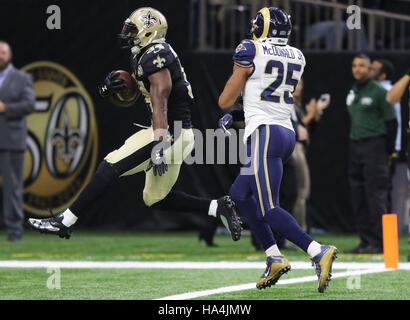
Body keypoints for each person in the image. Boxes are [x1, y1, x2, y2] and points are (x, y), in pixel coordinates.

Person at [27, 7, 242, 242]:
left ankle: (65, 221)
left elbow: (160, 102)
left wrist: (159, 144)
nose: (127, 34)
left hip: (168, 132)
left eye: (132, 30)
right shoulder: (146, 54)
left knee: (110, 165)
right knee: (155, 198)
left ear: (148, 32)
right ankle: (217, 206)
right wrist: (114, 91)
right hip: (180, 133)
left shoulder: (154, 56)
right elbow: (148, 96)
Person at [218, 7, 337, 293]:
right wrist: (240, 113)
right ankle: (273, 256)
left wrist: (233, 109)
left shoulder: (250, 49)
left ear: (261, 28)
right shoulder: (298, 55)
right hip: (284, 132)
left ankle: (317, 251)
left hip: (265, 134)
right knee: (239, 194)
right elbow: (264, 97)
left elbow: (225, 100)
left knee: (269, 208)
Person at [344, 54, 397, 254]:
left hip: (375, 145)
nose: (357, 69)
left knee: (376, 196)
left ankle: (381, 242)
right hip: (355, 145)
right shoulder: (353, 90)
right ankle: (365, 241)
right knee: (358, 195)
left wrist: (389, 151)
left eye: (362, 66)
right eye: (354, 65)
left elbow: (392, 122)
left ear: (370, 70)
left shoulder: (379, 91)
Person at [0, 41, 35, 241]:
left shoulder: (22, 78)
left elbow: (29, 104)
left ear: (9, 55)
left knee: (12, 187)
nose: (0, 56)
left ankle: (14, 231)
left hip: (11, 140)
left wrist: (6, 108)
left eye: (3, 52)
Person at [370, 59, 402, 212]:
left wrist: (391, 150)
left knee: (382, 193)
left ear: (382, 76)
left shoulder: (385, 92)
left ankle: (386, 234)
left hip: (386, 148)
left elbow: (392, 122)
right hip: (388, 147)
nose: (369, 71)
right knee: (381, 192)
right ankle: (384, 234)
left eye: (373, 69)